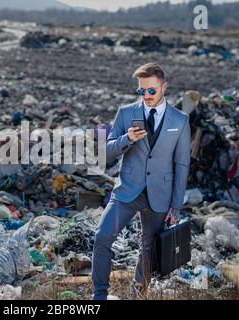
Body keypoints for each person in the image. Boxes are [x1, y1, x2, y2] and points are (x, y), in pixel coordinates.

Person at [91, 62, 191, 300]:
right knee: (102, 237)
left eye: (151, 90)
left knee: (148, 249)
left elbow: (182, 164)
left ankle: (138, 295)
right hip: (127, 191)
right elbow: (106, 152)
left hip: (160, 195)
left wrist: (176, 205)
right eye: (141, 91)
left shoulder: (180, 120)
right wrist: (127, 139)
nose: (146, 95)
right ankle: (99, 296)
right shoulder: (126, 113)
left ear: (164, 87)